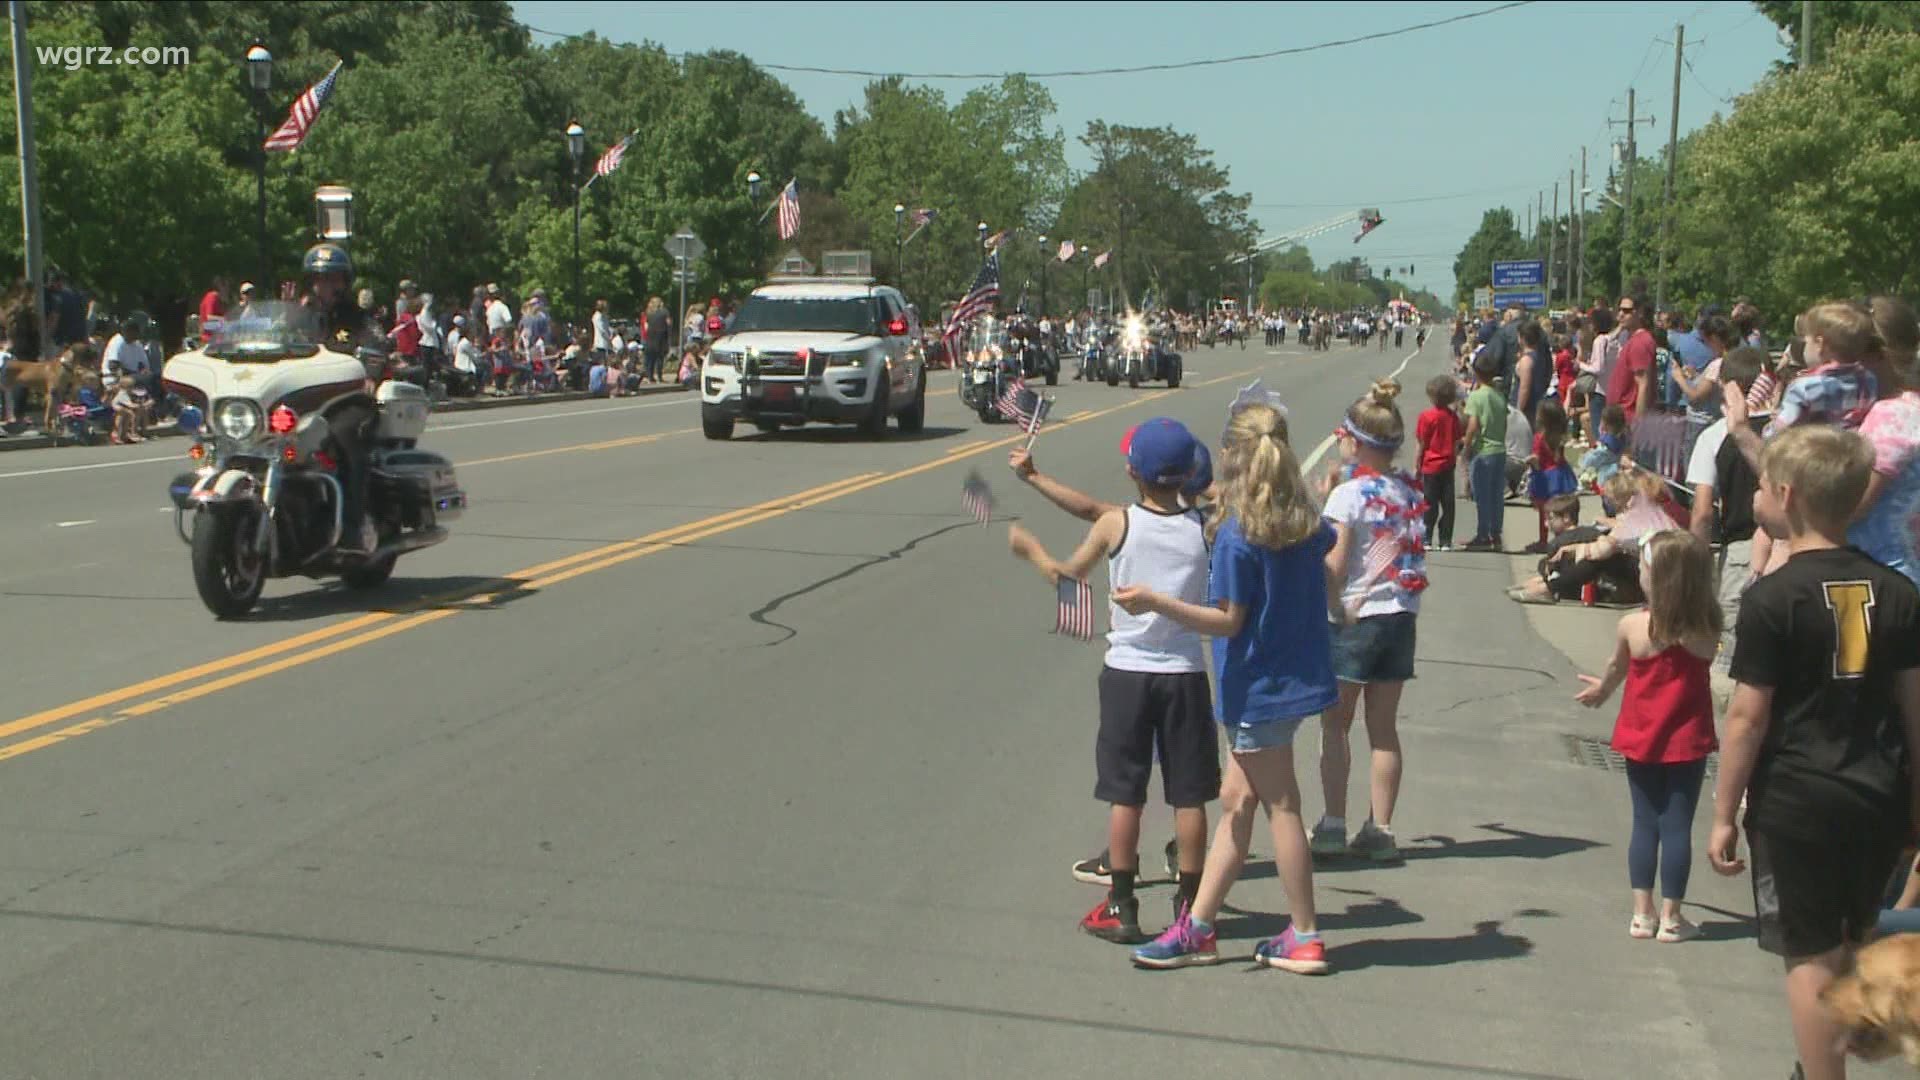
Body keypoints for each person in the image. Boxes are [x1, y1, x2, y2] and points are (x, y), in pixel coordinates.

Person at [1710, 424, 1920, 1080]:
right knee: (1852, 938)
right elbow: (1916, 712)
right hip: (1877, 795)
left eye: (1765, 486)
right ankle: (1822, 1061)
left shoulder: (1773, 597)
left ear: (1787, 495)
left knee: (1809, 957)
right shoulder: (1899, 594)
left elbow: (1747, 716)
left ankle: (1821, 1074)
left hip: (1797, 797)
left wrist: (1723, 810)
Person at [1120, 402, 1338, 976]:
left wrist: (1157, 603)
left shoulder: (1241, 537)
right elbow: (1329, 550)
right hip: (1292, 682)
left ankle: (1306, 935)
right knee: (1236, 803)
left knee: (1282, 807)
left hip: (1258, 689)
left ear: (1236, 457)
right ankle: (1198, 927)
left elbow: (1228, 620)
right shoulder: (1301, 518)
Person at [1007, 419, 1218, 945]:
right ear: (1189, 473)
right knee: (1188, 797)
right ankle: (1191, 909)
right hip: (1184, 672)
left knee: (1127, 795)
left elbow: (1067, 576)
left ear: (1131, 471)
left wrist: (1030, 549)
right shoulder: (1207, 527)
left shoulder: (1117, 524)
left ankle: (1121, 905)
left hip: (1128, 672)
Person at [1575, 530, 1721, 943]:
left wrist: (1601, 691)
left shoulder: (1633, 626)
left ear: (1655, 578)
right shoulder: (1706, 629)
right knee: (1677, 826)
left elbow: (1616, 667)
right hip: (1687, 741)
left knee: (1644, 823)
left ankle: (1643, 912)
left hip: (1640, 736)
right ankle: (1673, 917)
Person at [1312, 379, 1427, 864]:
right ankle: (1380, 828)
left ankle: (1333, 823)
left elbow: (1336, 565)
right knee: (1384, 728)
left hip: (1354, 618)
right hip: (1400, 615)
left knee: (1335, 725)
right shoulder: (1408, 491)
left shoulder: (1348, 496)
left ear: (1354, 441)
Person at [1685, 347, 1773, 684]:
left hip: (1740, 550)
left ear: (1726, 385)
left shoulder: (1716, 436)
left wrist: (1696, 565)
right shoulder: (1786, 428)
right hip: (1789, 546)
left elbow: (1703, 512)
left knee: (1730, 654)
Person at [1849, 297, 1920, 588]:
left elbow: (1852, 506)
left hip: (1884, 576)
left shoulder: (1891, 416)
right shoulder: (1910, 408)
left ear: (1876, 354)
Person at [1459, 351, 1508, 551]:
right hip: (1499, 449)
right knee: (1496, 495)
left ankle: (1482, 534)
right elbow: (1504, 423)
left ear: (1476, 373)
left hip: (1483, 450)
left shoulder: (1477, 397)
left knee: (1482, 495)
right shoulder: (1499, 396)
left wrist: (1466, 447)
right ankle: (1496, 534)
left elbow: (1473, 424)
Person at [1415, 374, 1461, 551]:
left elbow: (1422, 443)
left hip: (1430, 465)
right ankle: (1445, 539)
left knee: (1429, 502)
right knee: (1448, 504)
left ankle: (1427, 537)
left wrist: (1417, 465)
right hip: (1448, 464)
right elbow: (1456, 441)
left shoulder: (1426, 417)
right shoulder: (1453, 417)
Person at [1526, 399, 1578, 552]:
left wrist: (1529, 463)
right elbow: (1558, 458)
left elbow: (1537, 459)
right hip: (1561, 475)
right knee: (1561, 508)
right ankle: (1563, 537)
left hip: (1545, 477)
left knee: (1545, 512)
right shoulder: (1560, 436)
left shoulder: (1539, 438)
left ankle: (1543, 541)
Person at [1609, 295, 1657, 426]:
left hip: (1628, 420)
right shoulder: (1633, 339)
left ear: (1640, 313)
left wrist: (1639, 424)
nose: (1621, 315)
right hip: (1619, 418)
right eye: (1619, 310)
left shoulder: (1640, 342)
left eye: (1626, 311)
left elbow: (1643, 384)